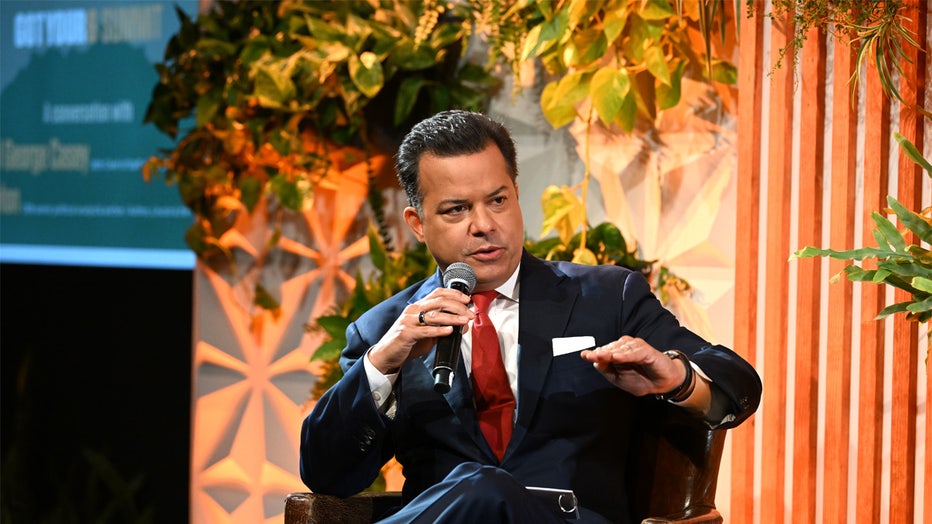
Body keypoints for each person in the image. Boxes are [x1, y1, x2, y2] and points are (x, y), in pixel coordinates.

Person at [300, 110, 761, 523]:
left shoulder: (605, 298)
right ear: (418, 223)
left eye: (497, 200)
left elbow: (739, 386)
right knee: (477, 490)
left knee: (486, 486)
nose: (483, 224)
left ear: (517, 196)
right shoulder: (385, 331)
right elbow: (328, 475)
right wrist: (382, 365)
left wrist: (677, 379)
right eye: (457, 209)